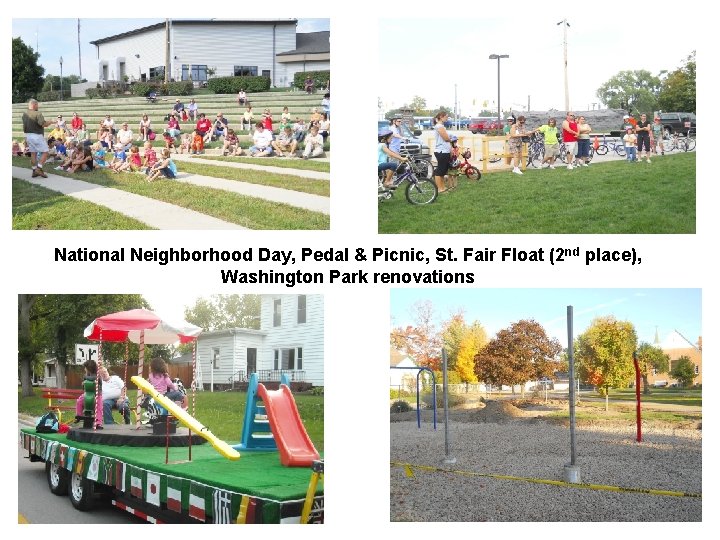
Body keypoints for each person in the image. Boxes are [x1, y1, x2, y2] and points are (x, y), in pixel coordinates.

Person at [74, 359, 103, 428]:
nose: (84, 369)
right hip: (87, 393)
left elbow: (96, 379)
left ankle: (98, 422)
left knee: (99, 406)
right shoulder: (86, 375)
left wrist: (95, 382)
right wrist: (83, 384)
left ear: (89, 368)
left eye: (85, 368)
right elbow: (84, 388)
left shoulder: (97, 375)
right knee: (79, 401)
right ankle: (79, 415)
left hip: (97, 394)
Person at [433, 111, 452, 192]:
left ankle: (443, 187)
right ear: (441, 116)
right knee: (439, 171)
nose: (447, 118)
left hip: (445, 151)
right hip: (441, 151)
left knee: (443, 171)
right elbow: (446, 138)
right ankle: (439, 189)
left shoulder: (441, 126)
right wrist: (452, 139)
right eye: (446, 117)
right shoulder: (439, 126)